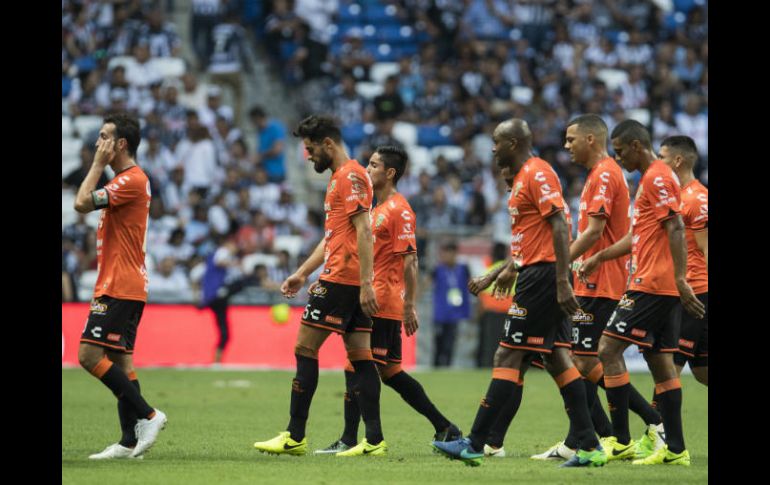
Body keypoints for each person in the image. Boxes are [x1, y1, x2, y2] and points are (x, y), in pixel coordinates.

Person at [432, 118, 606, 468]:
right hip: (538, 272)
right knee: (557, 358)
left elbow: (559, 224)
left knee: (506, 357)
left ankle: (475, 442)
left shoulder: (537, 172)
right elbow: (529, 243)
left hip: (543, 278)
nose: (493, 148)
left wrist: (559, 280)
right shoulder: (524, 178)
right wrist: (498, 272)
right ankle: (590, 444)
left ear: (513, 143)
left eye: (497, 142)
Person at [532, 114, 665, 462]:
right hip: (590, 279)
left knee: (584, 360)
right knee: (582, 361)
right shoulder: (598, 174)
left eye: (571, 139)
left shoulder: (605, 173)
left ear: (591, 139)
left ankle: (629, 429)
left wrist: (558, 264)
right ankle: (591, 435)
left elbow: (593, 231)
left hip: (601, 281)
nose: (566, 146)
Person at [314, 146, 462, 455]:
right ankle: (445, 426)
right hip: (374, 299)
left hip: (382, 301)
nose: (367, 170)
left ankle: (357, 439)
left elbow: (411, 260)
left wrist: (410, 306)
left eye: (373, 165)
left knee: (356, 366)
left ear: (390, 173)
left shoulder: (399, 209)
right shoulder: (374, 209)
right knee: (391, 372)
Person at [252, 115, 386, 456]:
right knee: (360, 357)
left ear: (328, 144)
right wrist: (302, 273)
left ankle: (295, 435)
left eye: (311, 149)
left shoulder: (351, 176)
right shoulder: (340, 178)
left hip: (343, 279)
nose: (308, 156)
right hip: (346, 278)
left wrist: (366, 283)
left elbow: (365, 231)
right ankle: (373, 440)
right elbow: (333, 238)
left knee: (305, 349)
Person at [579, 120, 705, 466]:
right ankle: (676, 448)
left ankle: (619, 441)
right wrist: (601, 256)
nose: (618, 158)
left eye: (620, 152)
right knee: (662, 363)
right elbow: (639, 236)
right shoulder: (650, 179)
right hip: (657, 283)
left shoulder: (657, 175)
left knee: (606, 348)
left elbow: (676, 227)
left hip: (652, 284)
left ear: (636, 145)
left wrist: (681, 279)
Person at [74, 113, 167, 460]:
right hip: (122, 283)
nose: (99, 144)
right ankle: (129, 443)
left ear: (120, 144)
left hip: (119, 286)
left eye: (104, 138)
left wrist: (97, 165)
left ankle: (150, 415)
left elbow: (81, 202)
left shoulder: (130, 180)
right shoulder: (127, 181)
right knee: (121, 361)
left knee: (88, 355)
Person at [658, 136, 708, 387]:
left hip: (695, 293)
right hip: (679, 291)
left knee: (669, 368)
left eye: (662, 158)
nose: (657, 163)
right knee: (702, 371)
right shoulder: (673, 197)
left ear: (677, 161)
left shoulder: (697, 199)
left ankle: (658, 426)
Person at [431, 240, 471, 367]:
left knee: (450, 344)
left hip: (456, 314)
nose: (443, 256)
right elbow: (424, 285)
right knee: (438, 344)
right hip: (440, 314)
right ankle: (436, 368)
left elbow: (472, 285)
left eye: (446, 253)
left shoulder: (464, 269)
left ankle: (447, 368)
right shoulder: (437, 269)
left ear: (454, 253)